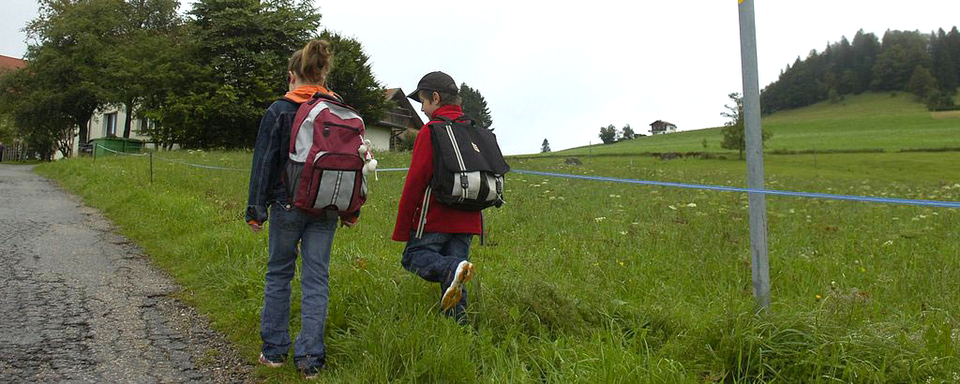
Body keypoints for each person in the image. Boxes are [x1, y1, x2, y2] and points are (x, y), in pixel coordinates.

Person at [245, 39, 357, 379]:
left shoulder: (280, 109)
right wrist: (350, 210)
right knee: (316, 279)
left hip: (287, 202)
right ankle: (310, 360)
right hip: (328, 207)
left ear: (293, 75)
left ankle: (275, 352)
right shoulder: (341, 110)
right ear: (323, 74)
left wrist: (255, 209)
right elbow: (353, 162)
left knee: (279, 272)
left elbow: (264, 162)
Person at [392, 71, 480, 322]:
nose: (422, 109)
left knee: (413, 258)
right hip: (469, 218)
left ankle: (451, 269)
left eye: (423, 102)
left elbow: (415, 182)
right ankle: (457, 327)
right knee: (457, 277)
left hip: (435, 217)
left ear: (436, 98)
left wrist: (401, 229)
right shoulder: (473, 130)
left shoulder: (431, 131)